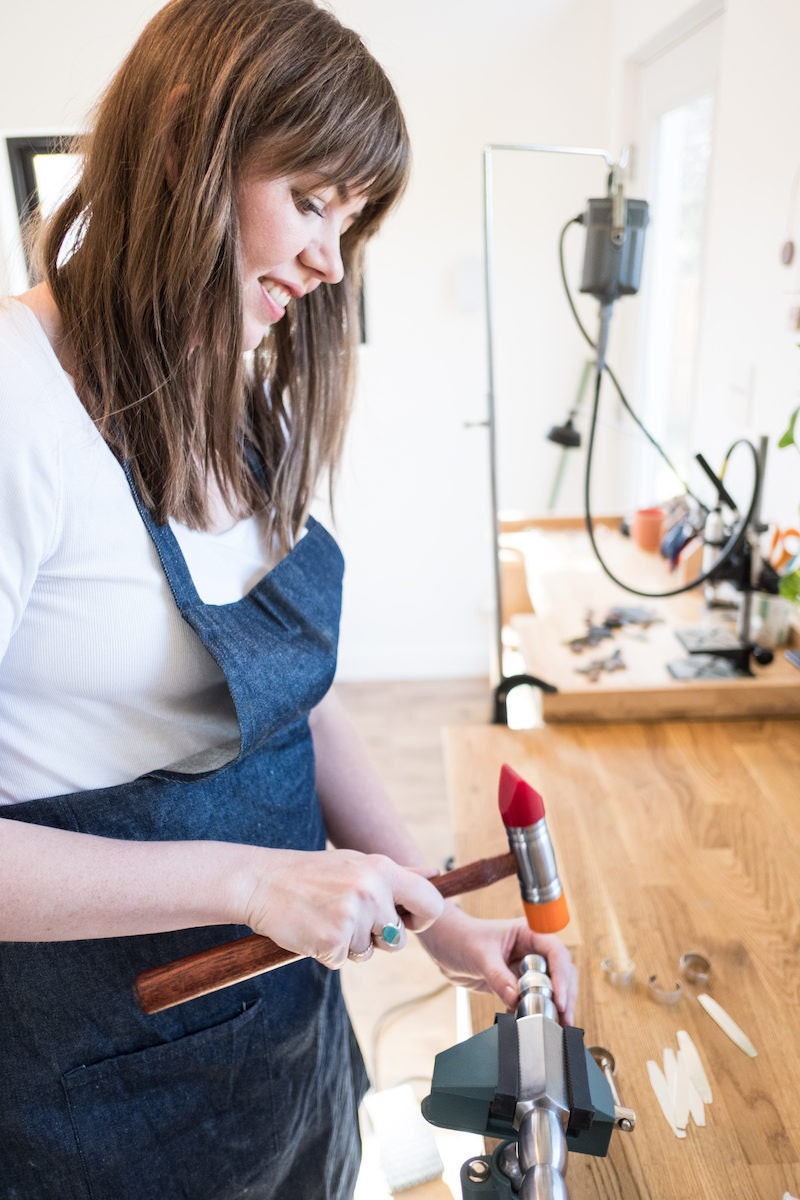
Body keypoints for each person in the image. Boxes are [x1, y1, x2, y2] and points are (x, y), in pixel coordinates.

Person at [0, 0, 577, 1196]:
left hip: (281, 1055)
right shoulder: (18, 403)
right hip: (94, 1093)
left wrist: (440, 922)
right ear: (182, 146)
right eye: (310, 200)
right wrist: (253, 878)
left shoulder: (237, 398)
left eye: (348, 221)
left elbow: (293, 708)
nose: (328, 261)